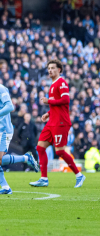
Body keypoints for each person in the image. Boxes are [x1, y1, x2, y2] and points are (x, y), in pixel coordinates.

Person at [0, 65, 39, 194]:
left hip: (3, 129)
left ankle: (26, 158)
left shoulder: (0, 89)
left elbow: (10, 106)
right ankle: (5, 188)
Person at [31, 60, 86, 188]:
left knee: (60, 151)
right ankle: (44, 178)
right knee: (40, 148)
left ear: (59, 70)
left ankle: (79, 175)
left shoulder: (61, 82)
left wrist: (48, 101)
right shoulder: (53, 84)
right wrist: (49, 113)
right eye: (48, 68)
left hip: (61, 123)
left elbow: (66, 100)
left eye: (53, 68)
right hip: (52, 122)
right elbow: (58, 104)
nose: (50, 70)